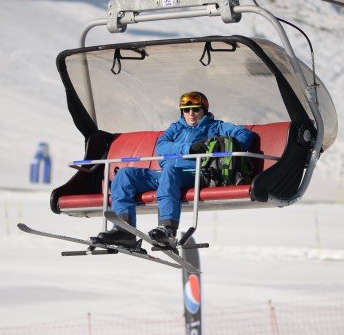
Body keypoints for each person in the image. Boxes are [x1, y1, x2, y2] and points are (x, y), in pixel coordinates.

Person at [95, 91, 254, 248]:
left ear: (203, 111)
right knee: (124, 175)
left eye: (196, 109)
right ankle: (124, 230)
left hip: (197, 173)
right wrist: (189, 148)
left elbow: (245, 135)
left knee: (170, 171)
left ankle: (167, 228)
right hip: (166, 175)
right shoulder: (176, 128)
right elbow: (161, 147)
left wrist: (219, 147)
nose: (191, 114)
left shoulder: (215, 126)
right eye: (186, 110)